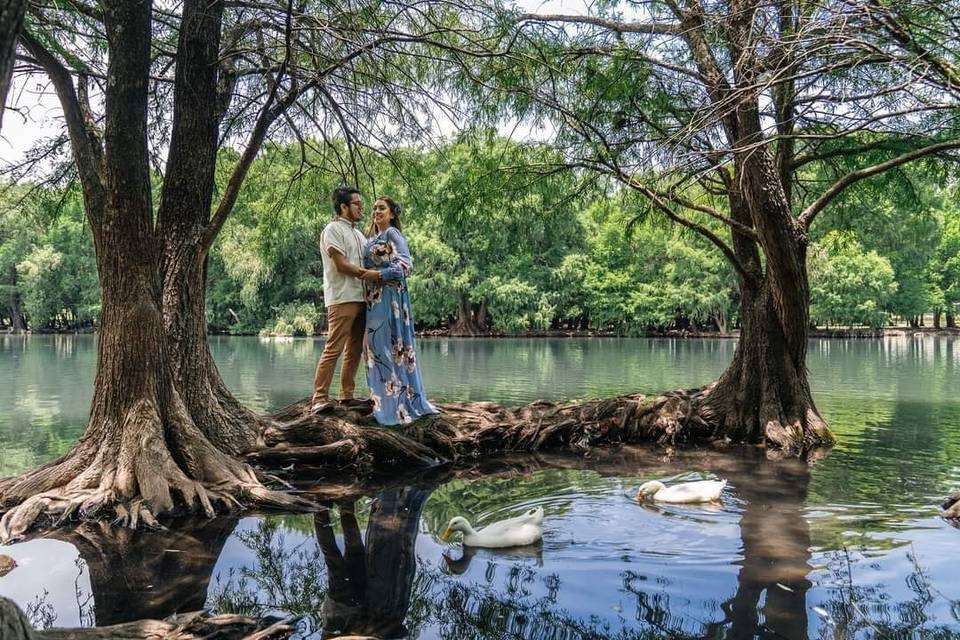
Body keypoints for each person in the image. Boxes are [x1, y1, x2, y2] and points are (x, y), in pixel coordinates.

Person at [363, 196, 439, 425]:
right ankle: (382, 403)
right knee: (375, 348)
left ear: (392, 214)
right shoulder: (371, 239)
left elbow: (406, 265)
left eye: (382, 208)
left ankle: (399, 406)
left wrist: (378, 275)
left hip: (390, 299)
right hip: (372, 301)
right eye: (375, 208)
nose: (377, 211)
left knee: (390, 346)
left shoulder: (392, 235)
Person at [310, 186, 381, 414]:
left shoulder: (359, 234)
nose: (362, 208)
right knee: (334, 348)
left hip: (362, 298)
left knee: (354, 350)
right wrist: (367, 274)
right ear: (343, 207)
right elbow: (340, 265)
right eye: (357, 204)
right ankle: (319, 398)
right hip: (342, 297)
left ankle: (346, 397)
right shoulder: (332, 230)